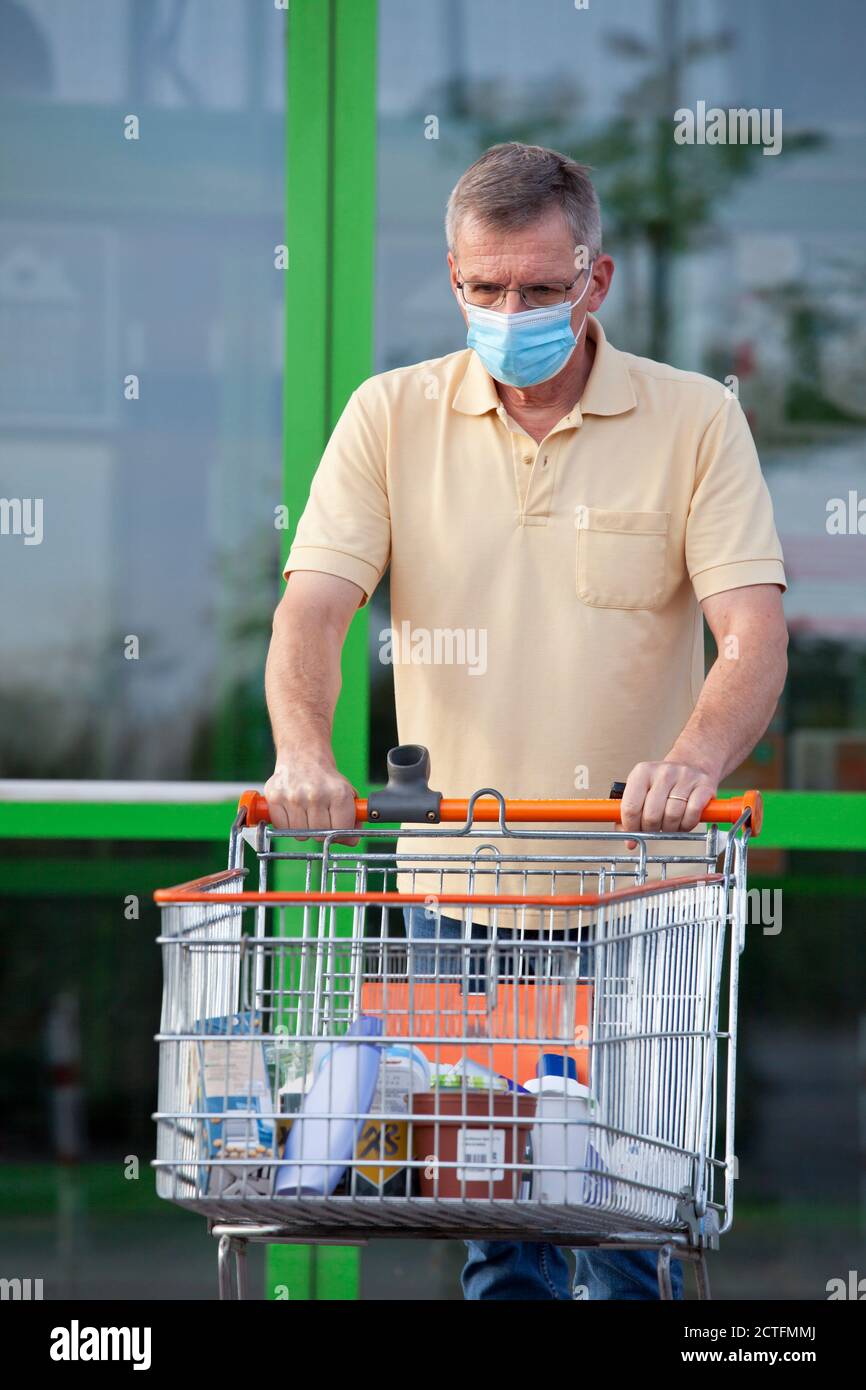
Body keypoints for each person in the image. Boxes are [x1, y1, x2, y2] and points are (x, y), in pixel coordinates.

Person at [263, 142, 788, 1300]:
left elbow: (751, 635)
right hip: (464, 898)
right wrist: (305, 751)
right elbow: (313, 610)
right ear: (452, 277)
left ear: (593, 281)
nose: (509, 312)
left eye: (539, 290)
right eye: (484, 289)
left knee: (634, 1230)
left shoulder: (694, 421)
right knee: (504, 1228)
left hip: (641, 897)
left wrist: (692, 758)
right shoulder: (387, 417)